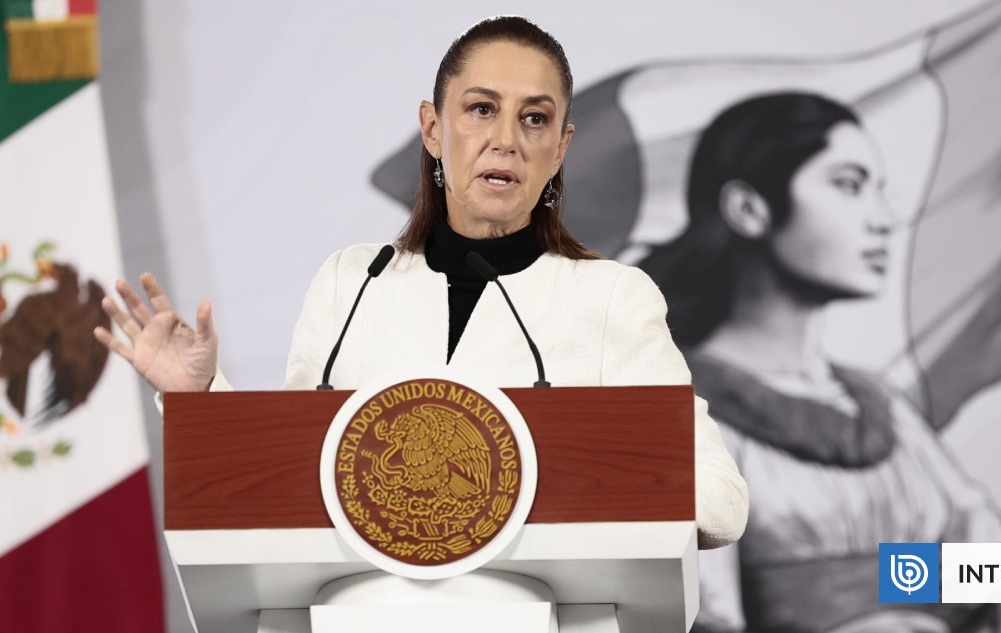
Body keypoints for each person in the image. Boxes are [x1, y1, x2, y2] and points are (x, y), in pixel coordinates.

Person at [92, 16, 749, 551]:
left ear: (560, 148)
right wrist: (198, 398)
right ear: (433, 129)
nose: (506, 139)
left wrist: (547, 474)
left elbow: (721, 504)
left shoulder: (611, 298)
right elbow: (292, 484)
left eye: (535, 118)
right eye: (482, 109)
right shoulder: (352, 285)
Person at [637, 93, 1001, 633]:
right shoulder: (668, 417)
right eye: (849, 185)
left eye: (879, 191)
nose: (884, 219)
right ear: (749, 209)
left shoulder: (886, 414)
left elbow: (997, 612)